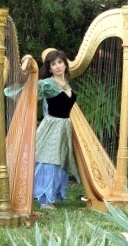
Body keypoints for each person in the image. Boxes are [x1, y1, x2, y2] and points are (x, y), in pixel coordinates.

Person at [33, 49, 80, 210]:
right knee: (49, 160)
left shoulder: (66, 84)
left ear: (65, 64)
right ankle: (44, 200)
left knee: (59, 161)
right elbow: (30, 97)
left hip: (64, 126)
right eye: (54, 64)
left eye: (60, 62)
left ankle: (52, 195)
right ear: (50, 68)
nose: (58, 66)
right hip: (52, 126)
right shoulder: (45, 84)